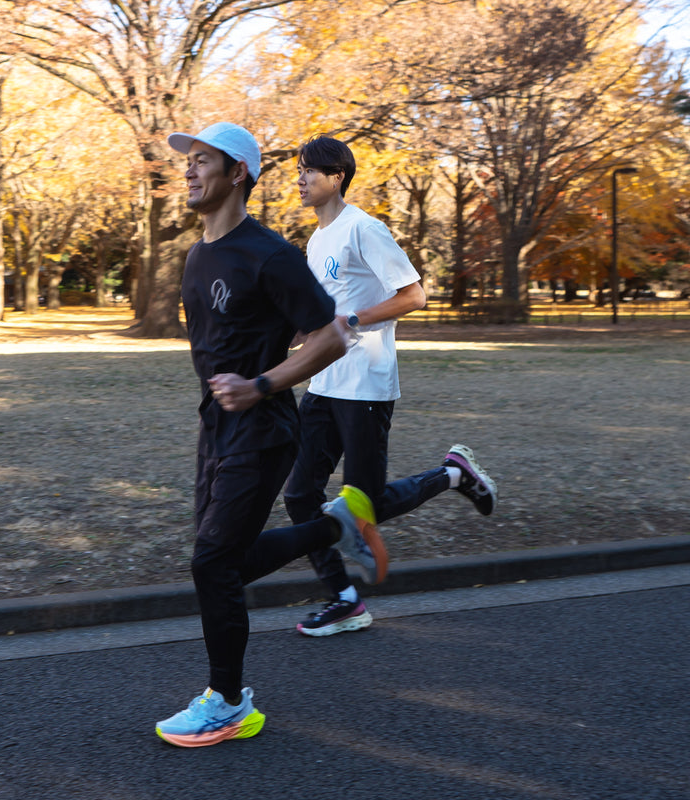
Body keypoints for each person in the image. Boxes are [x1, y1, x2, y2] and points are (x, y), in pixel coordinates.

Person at [154, 122, 389, 748]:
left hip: (263, 425)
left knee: (210, 563)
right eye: (189, 161)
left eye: (204, 160)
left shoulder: (270, 253)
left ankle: (229, 704)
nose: (189, 170)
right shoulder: (199, 253)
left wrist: (262, 383)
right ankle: (334, 526)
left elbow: (332, 335)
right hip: (217, 425)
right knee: (222, 563)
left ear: (238, 175)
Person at [285, 135, 498, 637]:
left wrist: (352, 320)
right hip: (325, 381)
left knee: (366, 503)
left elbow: (414, 295)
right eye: (298, 171)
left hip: (365, 383)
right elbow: (326, 310)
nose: (299, 180)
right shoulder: (317, 240)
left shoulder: (365, 229)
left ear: (336, 176)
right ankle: (344, 599)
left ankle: (453, 474)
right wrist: (298, 334)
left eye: (308, 171)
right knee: (299, 493)